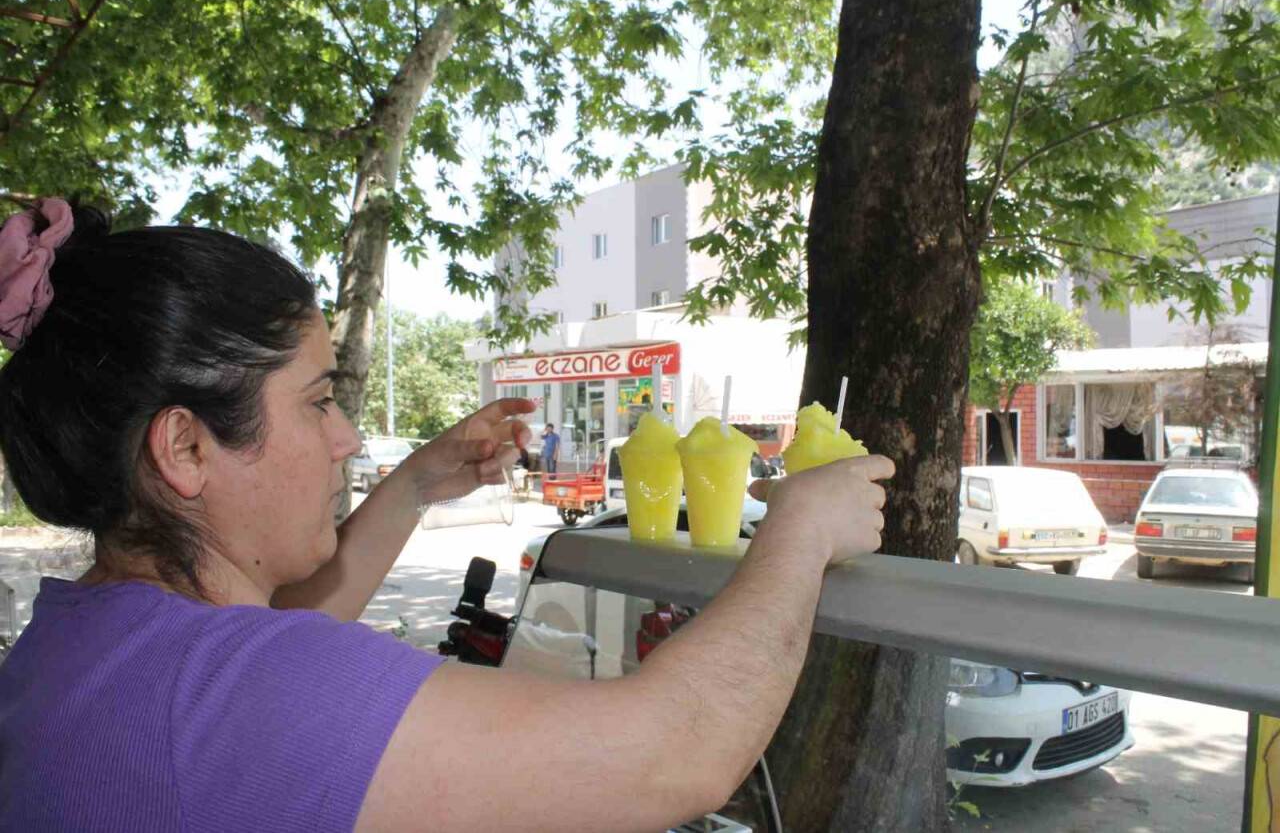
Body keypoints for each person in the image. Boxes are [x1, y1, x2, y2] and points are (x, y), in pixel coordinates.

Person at [0, 199, 892, 832]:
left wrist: (417, 484)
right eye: (317, 403)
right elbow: (679, 753)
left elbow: (259, 661)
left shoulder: (80, 649)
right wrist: (799, 533)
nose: (349, 437)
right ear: (186, 449)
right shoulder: (232, 702)